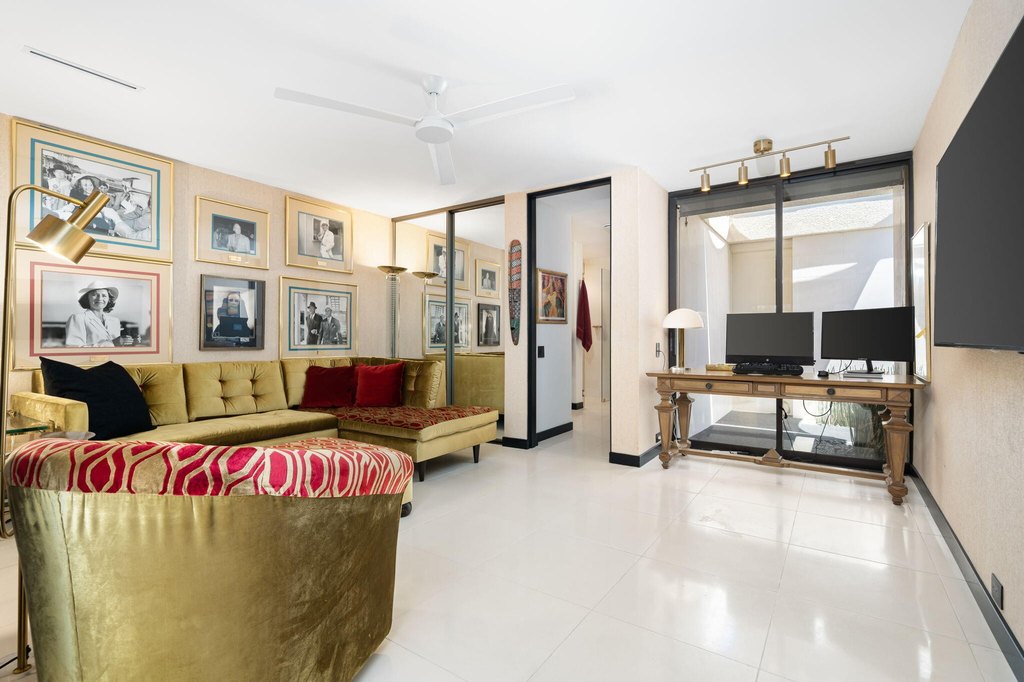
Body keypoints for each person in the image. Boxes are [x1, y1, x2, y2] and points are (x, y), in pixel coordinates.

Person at [65, 280, 130, 347]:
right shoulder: (78, 318)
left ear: (109, 299)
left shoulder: (115, 321)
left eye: (104, 295)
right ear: (87, 298)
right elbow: (73, 347)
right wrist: (112, 343)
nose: (100, 298)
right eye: (94, 295)